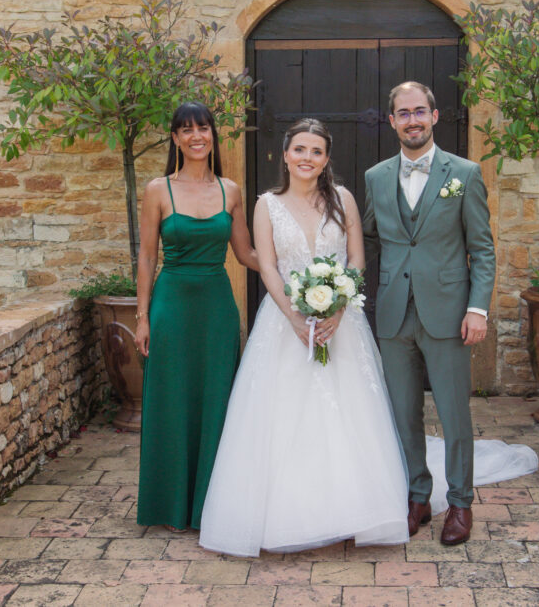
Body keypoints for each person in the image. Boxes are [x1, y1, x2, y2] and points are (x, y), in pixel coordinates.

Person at [198, 119, 411, 556]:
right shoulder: (267, 205)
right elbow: (268, 266)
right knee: (281, 416)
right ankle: (286, 515)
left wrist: (337, 307)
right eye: (299, 149)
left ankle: (358, 508)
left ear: (326, 159)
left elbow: (356, 259)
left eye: (316, 151)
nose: (307, 158)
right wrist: (296, 319)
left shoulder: (343, 199)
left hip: (341, 325)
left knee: (351, 414)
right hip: (284, 322)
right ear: (285, 154)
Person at [362, 81, 496, 545]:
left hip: (449, 313)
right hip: (394, 313)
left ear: (435, 116)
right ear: (392, 121)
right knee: (403, 413)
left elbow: (482, 249)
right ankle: (417, 496)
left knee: (455, 414)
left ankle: (460, 503)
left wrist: (477, 308)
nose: (412, 120)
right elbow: (368, 240)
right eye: (403, 113)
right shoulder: (376, 177)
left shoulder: (465, 174)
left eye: (420, 111)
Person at [134, 101, 257, 532]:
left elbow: (246, 254)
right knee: (170, 402)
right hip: (171, 307)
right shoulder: (157, 190)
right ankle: (169, 506)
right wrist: (143, 317)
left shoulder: (230, 190)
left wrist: (295, 269)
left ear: (212, 135)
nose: (196, 136)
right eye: (186, 130)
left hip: (217, 310)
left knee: (216, 401)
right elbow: (147, 257)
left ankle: (210, 505)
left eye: (202, 128)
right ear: (175, 138)